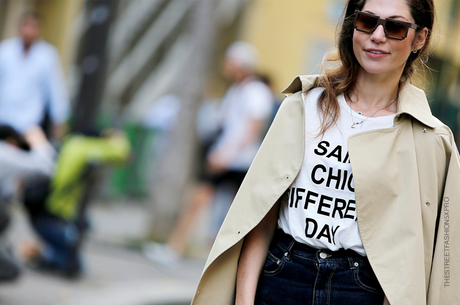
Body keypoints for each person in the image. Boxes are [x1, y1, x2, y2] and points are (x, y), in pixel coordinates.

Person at [192, 0, 460, 304]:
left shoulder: (429, 139)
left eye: (395, 27)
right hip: (281, 274)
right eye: (367, 21)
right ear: (352, 25)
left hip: (359, 288)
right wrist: (243, 300)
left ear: (420, 38)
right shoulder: (303, 107)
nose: (378, 35)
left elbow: (411, 252)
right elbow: (261, 217)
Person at [143, 42, 274, 265]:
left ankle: (244, 262)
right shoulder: (236, 90)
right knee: (197, 200)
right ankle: (175, 248)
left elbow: (252, 129)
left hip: (240, 161)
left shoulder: (256, 91)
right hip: (226, 157)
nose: (225, 67)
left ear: (241, 65)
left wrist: (226, 154)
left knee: (246, 215)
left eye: (229, 62)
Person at [22, 129, 131, 278]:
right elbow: (121, 152)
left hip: (46, 204)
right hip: (57, 207)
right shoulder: (86, 147)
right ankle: (52, 259)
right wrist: (118, 137)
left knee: (83, 226)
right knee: (74, 257)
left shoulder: (72, 143)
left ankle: (52, 257)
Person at [0, 13, 69, 139]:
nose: (29, 31)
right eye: (26, 26)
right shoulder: (5, 50)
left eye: (33, 27)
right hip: (3, 116)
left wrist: (59, 118)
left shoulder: (47, 55)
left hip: (29, 122)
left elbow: (55, 88)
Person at [0, 125, 55, 281]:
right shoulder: (3, 152)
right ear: (11, 142)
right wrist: (39, 143)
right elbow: (46, 168)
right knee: (12, 270)